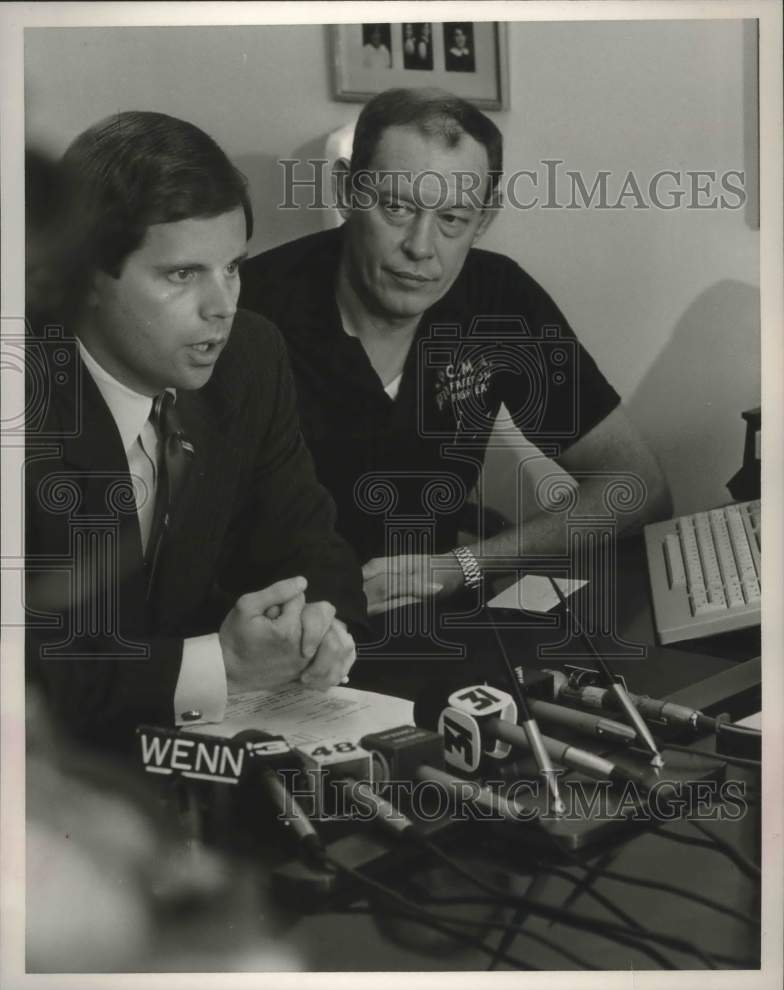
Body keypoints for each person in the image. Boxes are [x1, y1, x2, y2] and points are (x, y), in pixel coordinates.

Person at [238, 88, 671, 616]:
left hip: (437, 626)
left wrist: (468, 564)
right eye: (396, 207)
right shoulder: (250, 312)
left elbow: (636, 484)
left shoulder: (498, 298)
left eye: (452, 219)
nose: (421, 247)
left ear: (484, 221)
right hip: (281, 638)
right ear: (348, 191)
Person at [25, 111, 364, 749]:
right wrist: (220, 668)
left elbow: (308, 544)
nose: (224, 305)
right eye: (183, 275)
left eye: (232, 266)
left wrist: (319, 626)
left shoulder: (250, 357)